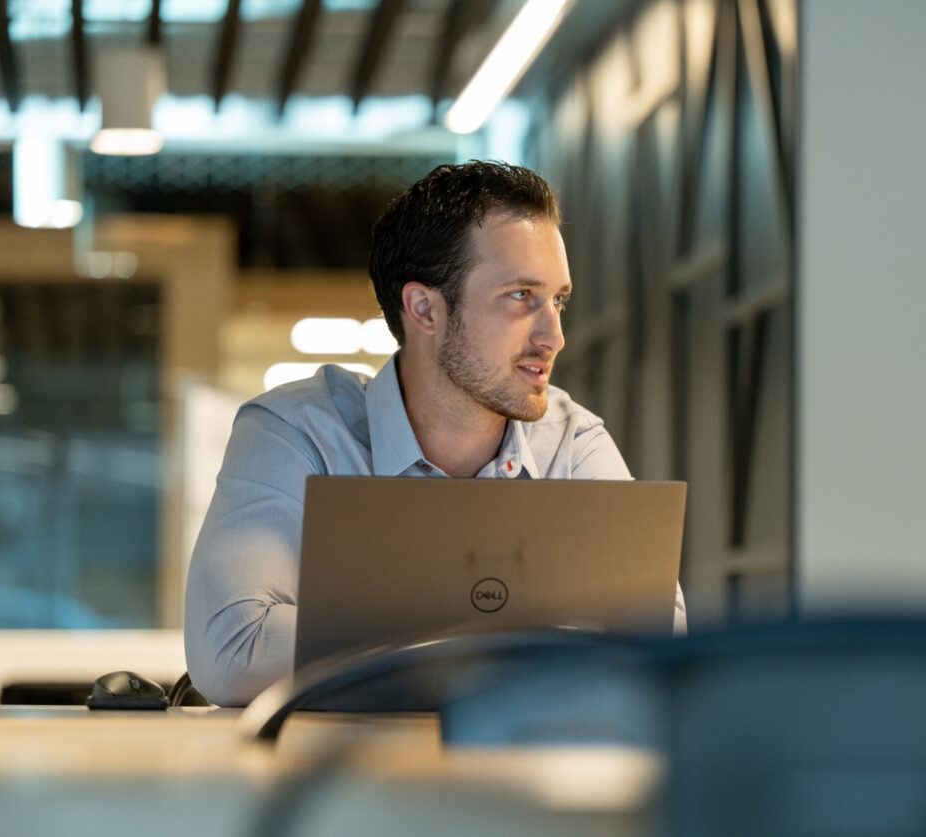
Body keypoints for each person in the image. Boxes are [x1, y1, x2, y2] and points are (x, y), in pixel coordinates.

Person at [184, 161, 686, 707]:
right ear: (424, 308)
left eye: (558, 300)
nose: (555, 336)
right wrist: (531, 633)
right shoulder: (295, 433)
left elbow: (660, 640)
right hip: (342, 783)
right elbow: (232, 653)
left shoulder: (573, 441)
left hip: (515, 782)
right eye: (521, 297)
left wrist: (389, 641)